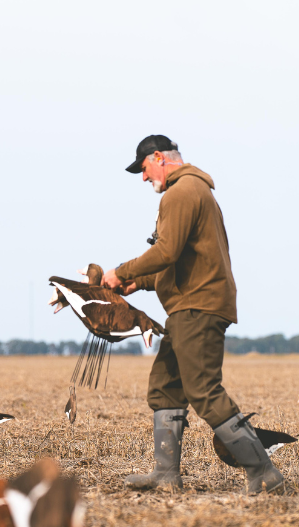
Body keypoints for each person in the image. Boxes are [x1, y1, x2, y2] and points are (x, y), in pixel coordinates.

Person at [102, 135, 283, 494]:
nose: (142, 177)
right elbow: (181, 259)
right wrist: (138, 283)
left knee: (203, 390)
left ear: (158, 157)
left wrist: (122, 271)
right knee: (166, 388)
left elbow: (167, 251)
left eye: (143, 168)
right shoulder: (192, 192)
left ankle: (264, 472)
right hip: (189, 305)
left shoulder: (181, 192)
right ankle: (166, 473)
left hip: (197, 306)